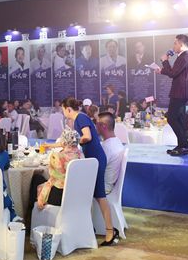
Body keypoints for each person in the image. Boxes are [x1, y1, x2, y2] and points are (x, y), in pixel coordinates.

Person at [60, 97, 118, 246]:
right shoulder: (80, 118)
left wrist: (73, 142)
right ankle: (89, 227)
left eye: (62, 109)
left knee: (100, 196)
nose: (63, 112)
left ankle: (110, 231)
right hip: (92, 159)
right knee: (92, 194)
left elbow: (87, 136)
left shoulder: (80, 118)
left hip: (95, 159)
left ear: (68, 109)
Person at [154, 34, 188, 156]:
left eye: (175, 43)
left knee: (171, 118)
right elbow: (175, 73)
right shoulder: (187, 56)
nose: (173, 46)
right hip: (182, 92)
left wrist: (165, 61)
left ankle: (185, 146)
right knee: (179, 119)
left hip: (179, 92)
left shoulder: (184, 57)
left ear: (181, 44)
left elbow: (173, 73)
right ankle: (182, 146)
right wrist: (162, 70)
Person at [29, 129, 83, 221]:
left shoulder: (57, 156)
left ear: (63, 141)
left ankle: (31, 217)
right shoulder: (81, 156)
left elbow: (52, 175)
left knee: (36, 178)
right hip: (76, 196)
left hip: (59, 197)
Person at [96, 112, 125, 196]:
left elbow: (96, 169)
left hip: (102, 188)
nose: (95, 126)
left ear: (103, 126)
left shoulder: (107, 147)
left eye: (96, 124)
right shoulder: (117, 141)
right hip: (109, 186)